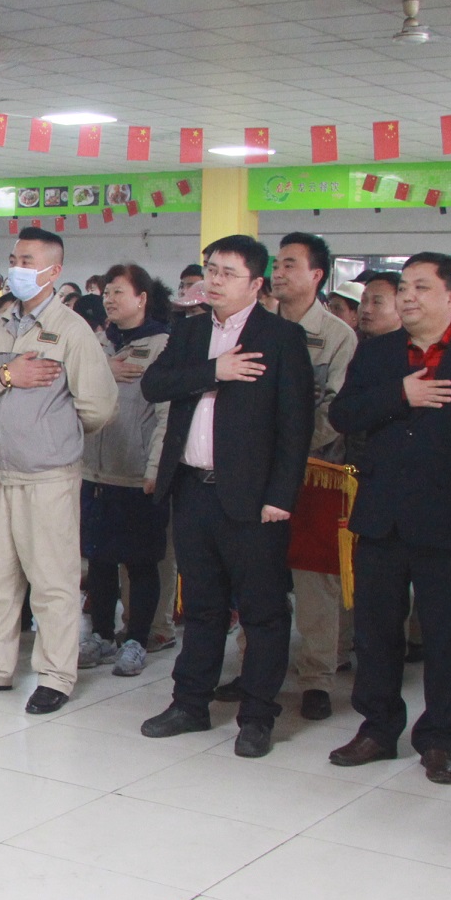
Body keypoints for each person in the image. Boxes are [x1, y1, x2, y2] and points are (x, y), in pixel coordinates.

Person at [327, 254, 451, 784]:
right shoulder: (377, 353)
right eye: (404, 287)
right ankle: (378, 728)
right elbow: (343, 414)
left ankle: (438, 738)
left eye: (421, 287)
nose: (407, 296)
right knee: (376, 632)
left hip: (449, 519)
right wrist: (400, 395)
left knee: (444, 636)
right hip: (381, 515)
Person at [138, 234, 314, 758]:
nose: (214, 281)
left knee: (262, 611)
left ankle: (257, 716)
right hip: (193, 488)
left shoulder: (281, 337)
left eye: (227, 273)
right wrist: (214, 371)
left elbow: (296, 426)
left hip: (254, 499)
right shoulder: (191, 331)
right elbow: (154, 385)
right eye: (211, 269)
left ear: (256, 284)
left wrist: (282, 495)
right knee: (203, 606)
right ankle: (190, 703)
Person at [0, 227, 115, 713]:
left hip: (47, 476)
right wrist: (6, 375)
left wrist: (52, 432)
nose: (16, 268)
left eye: (28, 261)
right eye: (14, 259)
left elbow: (99, 407)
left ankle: (56, 675)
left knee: (53, 581)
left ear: (53, 271)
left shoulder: (72, 330)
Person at [250, 232, 355, 721]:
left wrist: (288, 446)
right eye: (276, 263)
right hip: (255, 471)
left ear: (316, 275)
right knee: (257, 574)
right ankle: (255, 668)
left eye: (290, 264)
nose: (279, 272)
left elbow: (338, 409)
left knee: (314, 581)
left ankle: (316, 677)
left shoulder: (336, 335)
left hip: (314, 471)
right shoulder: (255, 326)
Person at [79, 264, 172, 677]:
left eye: (118, 292)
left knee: (140, 562)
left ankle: (136, 638)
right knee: (99, 560)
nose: (110, 300)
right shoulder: (98, 342)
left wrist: (156, 467)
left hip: (136, 473)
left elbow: (167, 415)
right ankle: (101, 634)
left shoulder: (162, 346)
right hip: (94, 470)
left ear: (142, 298)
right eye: (106, 293)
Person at [356, 271, 403, 338]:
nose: (366, 309)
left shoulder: (412, 343)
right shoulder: (351, 340)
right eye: (363, 300)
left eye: (377, 302)